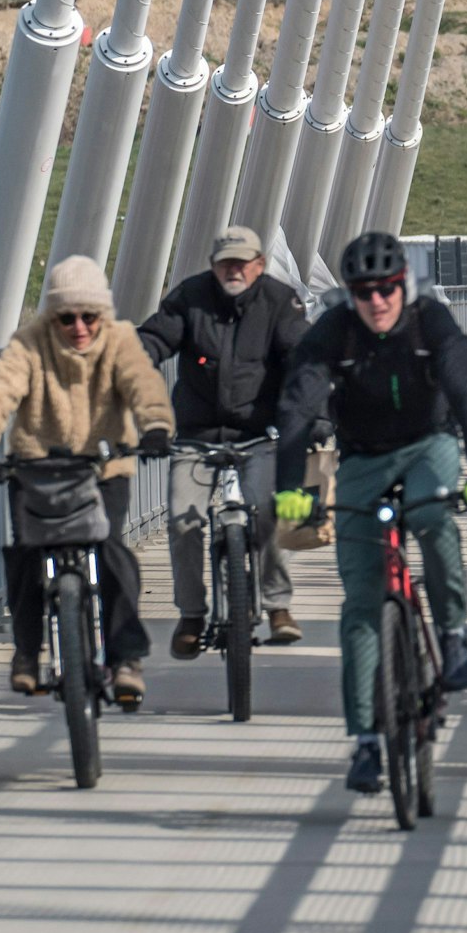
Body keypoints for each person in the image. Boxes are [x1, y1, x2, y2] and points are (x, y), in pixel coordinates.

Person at [273, 231, 467, 794]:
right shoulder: (334, 332)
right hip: (363, 461)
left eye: (387, 289)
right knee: (359, 608)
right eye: (365, 292)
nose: (377, 301)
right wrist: (288, 488)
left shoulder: (431, 324)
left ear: (404, 284)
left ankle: (451, 633)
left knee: (429, 514)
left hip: (429, 443)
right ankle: (367, 743)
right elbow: (299, 405)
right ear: (351, 294)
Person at [0, 255, 174, 708]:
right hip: (36, 467)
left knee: (112, 549)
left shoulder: (120, 340)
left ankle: (127, 658)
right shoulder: (29, 344)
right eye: (66, 317)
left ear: (102, 315)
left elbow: (144, 386)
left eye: (89, 316)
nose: (78, 327)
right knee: (26, 557)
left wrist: (155, 428)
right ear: (52, 317)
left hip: (104, 468)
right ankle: (28, 653)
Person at [139, 225, 310, 657]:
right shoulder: (191, 296)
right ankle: (192, 615)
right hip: (196, 436)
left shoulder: (278, 301)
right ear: (214, 266)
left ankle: (277, 606)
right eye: (225, 263)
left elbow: (302, 359)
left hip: (258, 436)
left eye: (242, 263)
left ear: (259, 265)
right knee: (184, 520)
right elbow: (157, 338)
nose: (233, 270)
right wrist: (132, 361)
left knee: (271, 510)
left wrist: (313, 414)